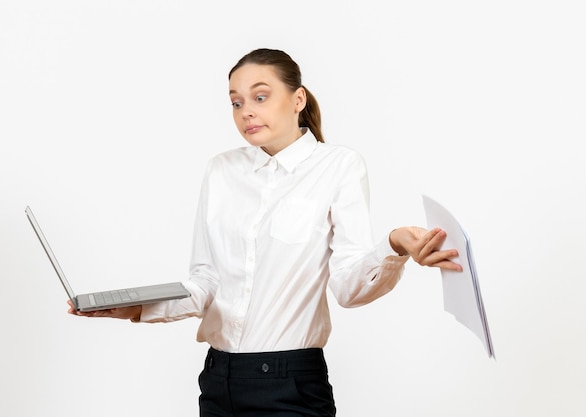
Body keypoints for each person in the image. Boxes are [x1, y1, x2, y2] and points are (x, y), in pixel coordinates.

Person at [68, 48, 462, 417]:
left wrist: (394, 245)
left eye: (260, 97)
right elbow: (206, 282)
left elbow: (348, 288)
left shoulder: (338, 166)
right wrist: (137, 307)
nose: (246, 113)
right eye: (236, 102)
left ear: (298, 99)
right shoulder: (221, 170)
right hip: (218, 380)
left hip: (291, 384)